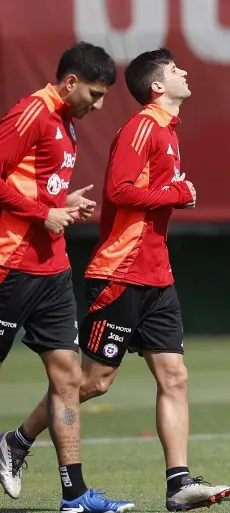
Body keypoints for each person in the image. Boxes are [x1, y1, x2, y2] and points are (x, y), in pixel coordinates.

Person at [3, 48, 230, 511]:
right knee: (93, 382)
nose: (184, 71)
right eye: (174, 69)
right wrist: (176, 192)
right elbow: (119, 191)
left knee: (174, 376)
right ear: (157, 86)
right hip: (118, 272)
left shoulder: (160, 130)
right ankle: (18, 442)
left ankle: (177, 483)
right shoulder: (139, 127)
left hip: (148, 273)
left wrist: (60, 202)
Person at [0, 42, 136, 513]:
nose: (98, 106)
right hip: (8, 267)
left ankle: (74, 496)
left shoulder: (66, 125)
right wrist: (44, 212)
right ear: (70, 81)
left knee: (68, 379)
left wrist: (63, 207)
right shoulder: (31, 113)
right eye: (95, 95)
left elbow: (41, 191)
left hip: (52, 270)